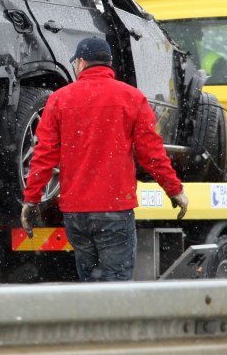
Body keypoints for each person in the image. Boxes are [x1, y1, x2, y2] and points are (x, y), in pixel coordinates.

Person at [21, 37, 188, 282]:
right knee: (116, 286)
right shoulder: (132, 98)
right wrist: (174, 190)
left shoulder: (59, 99)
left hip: (76, 212)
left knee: (91, 286)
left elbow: (43, 155)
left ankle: (93, 319)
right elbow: (151, 153)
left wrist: (31, 199)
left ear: (80, 63)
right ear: (108, 64)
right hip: (115, 209)